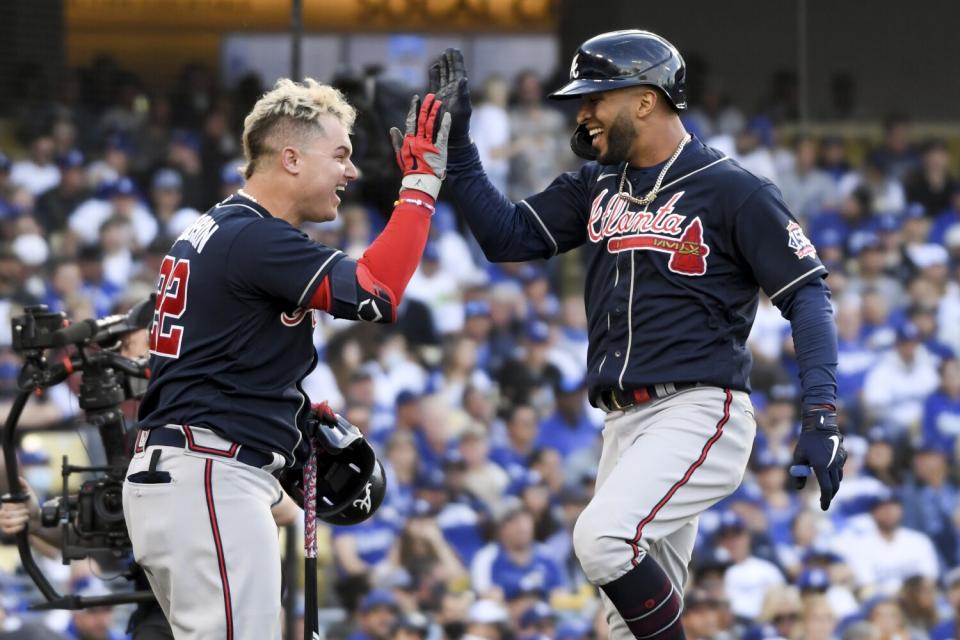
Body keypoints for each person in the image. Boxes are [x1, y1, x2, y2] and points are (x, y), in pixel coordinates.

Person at [428, 29, 844, 640]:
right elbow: (507, 237)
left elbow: (807, 294)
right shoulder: (598, 183)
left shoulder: (733, 189)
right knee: (628, 625)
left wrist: (822, 411)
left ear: (646, 100)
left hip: (698, 409)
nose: (584, 113)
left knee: (601, 540)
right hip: (623, 424)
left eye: (596, 97)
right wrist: (459, 150)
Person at [121, 78, 451, 639]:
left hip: (193, 472)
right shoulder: (253, 238)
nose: (351, 172)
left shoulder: (221, 229)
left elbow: (224, 361)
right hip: (210, 473)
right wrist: (419, 186)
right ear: (291, 158)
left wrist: (288, 417)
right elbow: (376, 290)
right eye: (341, 155)